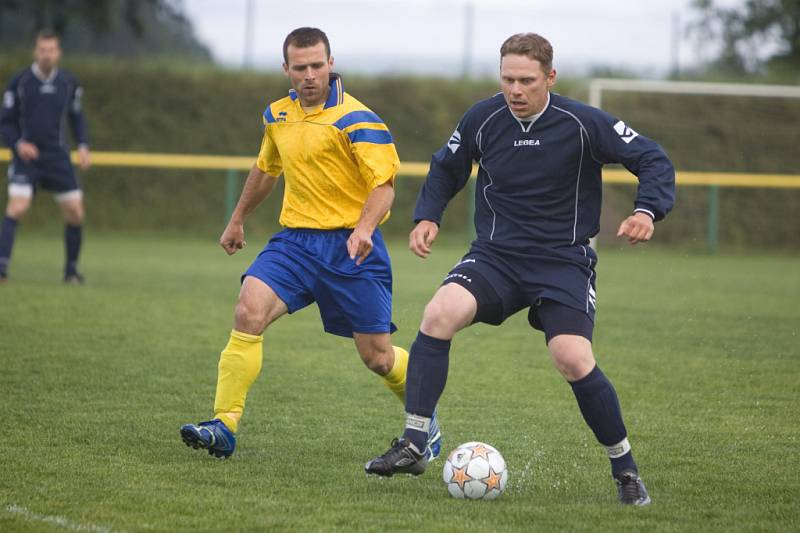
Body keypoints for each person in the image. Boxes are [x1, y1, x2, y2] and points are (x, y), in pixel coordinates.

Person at [364, 33, 675, 506]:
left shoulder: (582, 122)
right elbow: (447, 166)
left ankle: (625, 469)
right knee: (438, 313)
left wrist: (646, 210)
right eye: (507, 79)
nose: (515, 90)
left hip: (562, 261)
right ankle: (414, 442)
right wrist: (428, 215)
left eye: (526, 80)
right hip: (496, 256)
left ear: (550, 77)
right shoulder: (482, 118)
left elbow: (651, 158)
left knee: (572, 358)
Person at [180, 27, 441, 459]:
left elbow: (384, 187)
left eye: (317, 65)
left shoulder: (360, 119)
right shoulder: (278, 115)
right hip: (295, 243)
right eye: (299, 68)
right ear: (286, 69)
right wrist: (238, 219)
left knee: (376, 357)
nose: (309, 75)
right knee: (248, 309)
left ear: (331, 63)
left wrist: (363, 228)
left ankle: (425, 422)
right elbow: (266, 169)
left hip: (352, 248)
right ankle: (224, 424)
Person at [0, 29, 91, 284]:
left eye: (51, 50)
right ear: (35, 51)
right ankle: (1, 268)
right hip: (27, 158)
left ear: (58, 53)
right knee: (18, 206)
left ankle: (71, 272)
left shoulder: (68, 83)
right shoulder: (20, 82)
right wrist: (18, 144)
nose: (47, 55)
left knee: (76, 212)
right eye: (42, 50)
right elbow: (5, 123)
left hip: (57, 157)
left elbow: (77, 117)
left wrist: (83, 145)